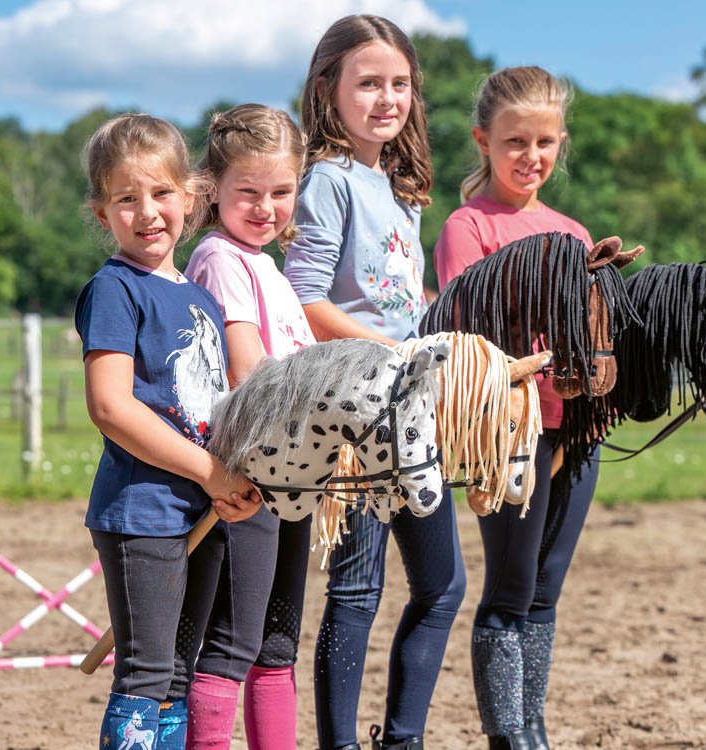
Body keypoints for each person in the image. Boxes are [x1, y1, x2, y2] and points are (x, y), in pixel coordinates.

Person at [282, 15, 465, 750]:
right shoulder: (328, 181)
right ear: (329, 91)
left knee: (442, 586)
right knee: (357, 592)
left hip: (410, 407)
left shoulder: (402, 192)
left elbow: (401, 299)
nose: (387, 98)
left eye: (399, 84)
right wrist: (398, 348)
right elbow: (308, 300)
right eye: (368, 84)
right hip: (354, 410)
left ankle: (402, 740)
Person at [74, 113, 261, 750]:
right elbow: (111, 407)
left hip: (200, 508)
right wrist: (211, 472)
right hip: (143, 512)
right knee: (147, 675)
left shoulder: (200, 298)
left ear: (190, 194)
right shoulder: (114, 290)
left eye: (160, 194)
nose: (148, 212)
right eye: (127, 199)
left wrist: (228, 479)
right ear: (103, 214)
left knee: (179, 677)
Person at [433, 66, 602, 750]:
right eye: (515, 142)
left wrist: (595, 371)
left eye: (544, 142)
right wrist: (541, 376)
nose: (531, 157)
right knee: (510, 588)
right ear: (483, 141)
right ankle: (509, 738)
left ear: (561, 142)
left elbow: (592, 335)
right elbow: (467, 342)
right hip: (509, 435)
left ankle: (534, 729)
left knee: (546, 589)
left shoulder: (573, 232)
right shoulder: (467, 228)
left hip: (576, 433)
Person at [181, 103, 316, 750]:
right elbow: (250, 371)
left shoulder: (268, 265)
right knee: (233, 641)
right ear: (214, 188)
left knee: (279, 640)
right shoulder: (220, 257)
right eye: (249, 192)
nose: (266, 207)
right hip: (247, 475)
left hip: (294, 471)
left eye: (282, 191)